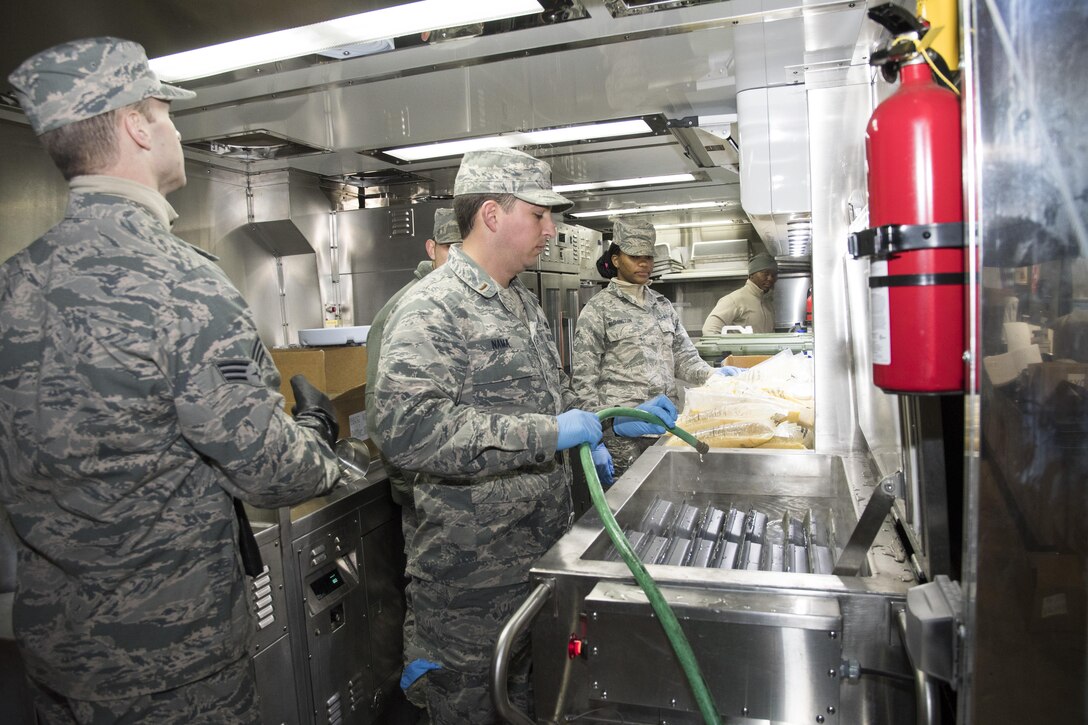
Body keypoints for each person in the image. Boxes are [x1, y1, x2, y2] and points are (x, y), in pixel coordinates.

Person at [0, 38, 342, 724]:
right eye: (167, 113)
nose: (178, 130)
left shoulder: (13, 283)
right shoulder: (182, 282)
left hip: (58, 653)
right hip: (174, 664)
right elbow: (270, 471)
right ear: (135, 126)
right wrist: (318, 436)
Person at [371, 147, 671, 724]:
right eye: (538, 215)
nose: (550, 230)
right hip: (473, 580)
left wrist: (608, 418)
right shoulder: (432, 309)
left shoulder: (523, 305)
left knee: (536, 705)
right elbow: (408, 431)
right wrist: (550, 433)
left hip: (539, 561)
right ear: (491, 215)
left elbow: (558, 400)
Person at [363, 206, 459, 694]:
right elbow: (387, 415)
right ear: (432, 250)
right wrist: (412, 489)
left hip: (461, 498)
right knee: (432, 608)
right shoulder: (410, 309)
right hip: (427, 494)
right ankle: (424, 703)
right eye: (452, 249)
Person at [573, 218, 740, 477]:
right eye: (635, 256)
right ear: (616, 259)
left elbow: (684, 357)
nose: (644, 263)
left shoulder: (662, 306)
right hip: (620, 440)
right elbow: (584, 383)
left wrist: (712, 375)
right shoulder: (597, 310)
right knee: (624, 510)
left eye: (649, 257)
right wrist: (594, 440)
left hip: (665, 432)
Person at [701, 252, 780, 335]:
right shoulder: (734, 300)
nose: (770, 278)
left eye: (774, 275)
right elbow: (709, 330)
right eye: (765, 274)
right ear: (751, 275)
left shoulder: (767, 304)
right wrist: (728, 348)